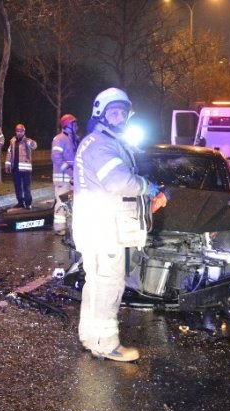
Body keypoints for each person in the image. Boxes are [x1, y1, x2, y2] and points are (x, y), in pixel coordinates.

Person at [73, 88, 165, 362]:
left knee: (97, 283)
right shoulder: (101, 144)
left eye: (123, 112)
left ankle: (91, 337)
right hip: (103, 229)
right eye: (113, 111)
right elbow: (119, 182)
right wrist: (147, 186)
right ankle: (106, 343)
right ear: (100, 113)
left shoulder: (103, 141)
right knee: (109, 284)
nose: (119, 117)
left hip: (97, 226)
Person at [52, 114, 79, 235]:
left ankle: (73, 226)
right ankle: (59, 227)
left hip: (73, 178)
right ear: (68, 125)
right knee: (62, 202)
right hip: (62, 178)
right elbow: (56, 158)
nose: (77, 126)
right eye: (74, 123)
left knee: (74, 202)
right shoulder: (59, 139)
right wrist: (69, 171)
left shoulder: (76, 140)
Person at [4, 124, 37, 209]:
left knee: (26, 188)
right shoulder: (12, 141)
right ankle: (20, 202)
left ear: (24, 131)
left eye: (21, 131)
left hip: (25, 170)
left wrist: (32, 142)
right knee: (18, 187)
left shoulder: (27, 141)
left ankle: (28, 203)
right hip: (15, 169)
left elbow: (34, 145)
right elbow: (9, 153)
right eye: (17, 131)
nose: (19, 133)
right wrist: (7, 165)